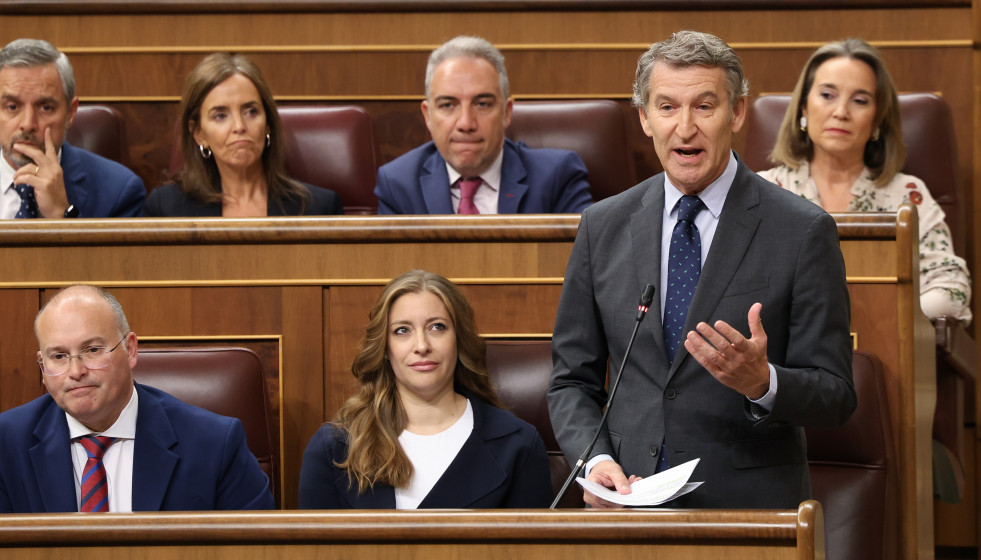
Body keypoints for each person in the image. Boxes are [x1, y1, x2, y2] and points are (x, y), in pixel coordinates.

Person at [546, 30, 856, 510]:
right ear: (645, 118)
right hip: (627, 500)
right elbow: (571, 381)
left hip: (747, 509)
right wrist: (595, 462)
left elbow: (835, 395)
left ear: (736, 113)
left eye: (704, 106)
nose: (685, 128)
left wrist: (763, 383)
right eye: (667, 107)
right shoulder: (602, 226)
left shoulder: (802, 231)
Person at [0, 285, 274, 513]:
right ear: (42, 366)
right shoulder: (6, 445)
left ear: (130, 350)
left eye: (92, 350)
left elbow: (259, 550)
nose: (76, 371)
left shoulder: (214, 444)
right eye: (59, 356)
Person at [758, 38, 971, 324]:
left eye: (860, 100)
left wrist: (881, 322)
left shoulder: (907, 195)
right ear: (803, 109)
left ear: (877, 120)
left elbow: (952, 287)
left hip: (886, 354)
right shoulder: (763, 192)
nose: (841, 112)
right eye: (827, 95)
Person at [299, 270, 552, 509]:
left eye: (437, 327)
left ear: (459, 340)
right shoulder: (334, 447)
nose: (421, 345)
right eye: (402, 331)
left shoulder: (518, 444)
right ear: (385, 349)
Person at [374, 36, 593, 215]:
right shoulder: (398, 184)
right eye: (448, 105)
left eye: (482, 104)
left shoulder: (556, 177)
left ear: (506, 112)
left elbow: (581, 264)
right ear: (428, 116)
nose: (466, 123)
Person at [144, 53, 343, 217]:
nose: (239, 126)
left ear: (267, 125)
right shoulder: (166, 208)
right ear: (198, 133)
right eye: (220, 116)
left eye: (251, 112)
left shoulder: (319, 208)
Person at [0, 39, 145, 219]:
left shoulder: (119, 190)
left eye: (45, 107)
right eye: (12, 107)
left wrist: (62, 214)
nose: (28, 124)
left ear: (70, 112)